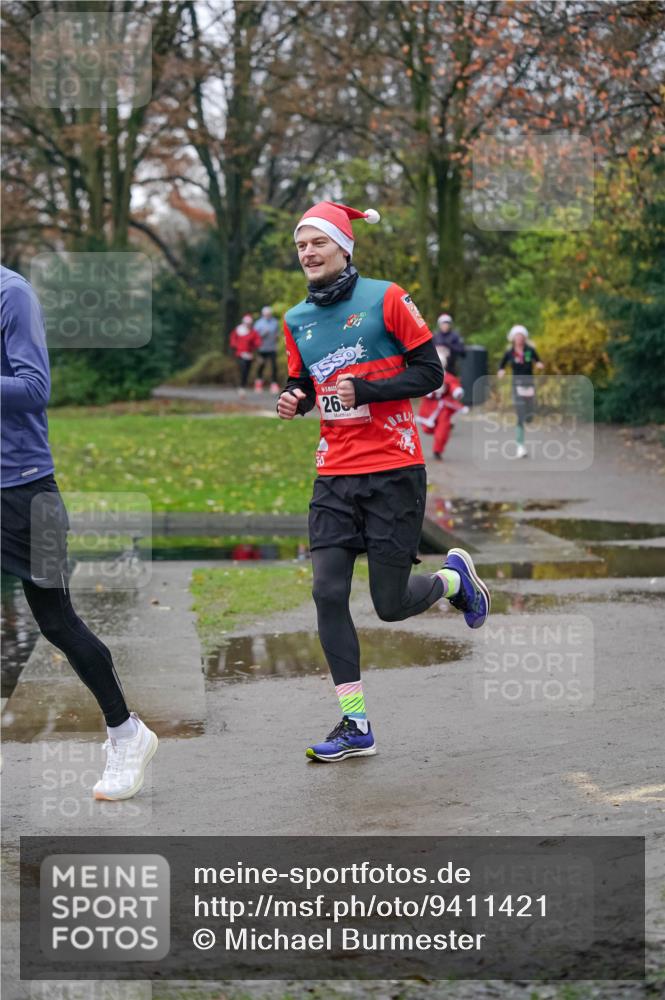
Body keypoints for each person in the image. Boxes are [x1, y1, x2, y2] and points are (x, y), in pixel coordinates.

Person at [277, 201, 491, 762]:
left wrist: (367, 391)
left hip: (393, 469)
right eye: (300, 246)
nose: (307, 253)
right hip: (334, 473)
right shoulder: (296, 320)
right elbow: (304, 382)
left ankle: (453, 580)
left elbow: (430, 373)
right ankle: (356, 725)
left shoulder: (387, 298)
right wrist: (293, 399)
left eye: (317, 242)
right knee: (327, 592)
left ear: (345, 246)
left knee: (390, 605)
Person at [0, 265, 157, 800]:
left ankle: (126, 734)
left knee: (57, 621)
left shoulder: (12, 294)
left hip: (26, 492)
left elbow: (34, 388)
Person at [497, 324, 545, 459]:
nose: (519, 339)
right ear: (513, 338)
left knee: (529, 415)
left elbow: (538, 361)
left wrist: (539, 364)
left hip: (529, 384)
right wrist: (501, 371)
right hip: (516, 385)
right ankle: (520, 446)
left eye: (521, 336)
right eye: (517, 336)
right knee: (520, 414)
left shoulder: (530, 350)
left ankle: (529, 417)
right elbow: (501, 365)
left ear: (525, 338)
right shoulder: (510, 352)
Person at [416, 366, 468, 461]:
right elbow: (421, 388)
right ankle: (436, 431)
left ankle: (437, 450)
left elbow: (454, 386)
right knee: (426, 429)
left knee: (443, 430)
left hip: (445, 406)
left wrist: (457, 392)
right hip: (430, 406)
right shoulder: (427, 375)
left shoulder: (448, 377)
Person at [229, 313, 261, 394]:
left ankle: (243, 385)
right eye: (247, 324)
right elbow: (233, 340)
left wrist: (256, 345)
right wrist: (234, 346)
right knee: (243, 369)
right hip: (240, 354)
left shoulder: (253, 332)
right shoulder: (238, 330)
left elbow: (257, 340)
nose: (248, 325)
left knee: (247, 371)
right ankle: (241, 386)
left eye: (249, 324)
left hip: (249, 354)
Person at [254, 306, 280, 393]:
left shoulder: (275, 322)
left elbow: (277, 333)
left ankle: (274, 384)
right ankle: (258, 383)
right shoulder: (258, 323)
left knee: (274, 366)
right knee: (261, 365)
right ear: (263, 314)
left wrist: (277, 336)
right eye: (266, 314)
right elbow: (255, 337)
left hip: (272, 347)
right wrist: (263, 334)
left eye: (269, 314)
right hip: (262, 349)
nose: (268, 315)